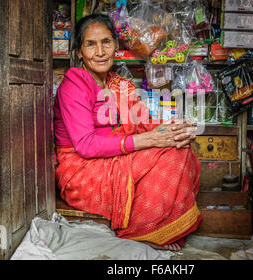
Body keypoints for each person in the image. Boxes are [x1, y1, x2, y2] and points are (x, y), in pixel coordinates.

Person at [53, 13, 202, 251]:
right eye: (90, 44)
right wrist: (148, 139)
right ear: (79, 52)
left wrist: (173, 128)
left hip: (114, 158)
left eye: (106, 42)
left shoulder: (120, 84)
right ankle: (145, 231)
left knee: (182, 147)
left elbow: (145, 123)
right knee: (172, 156)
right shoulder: (75, 82)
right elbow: (86, 145)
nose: (100, 52)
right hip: (82, 169)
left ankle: (158, 224)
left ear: (115, 46)